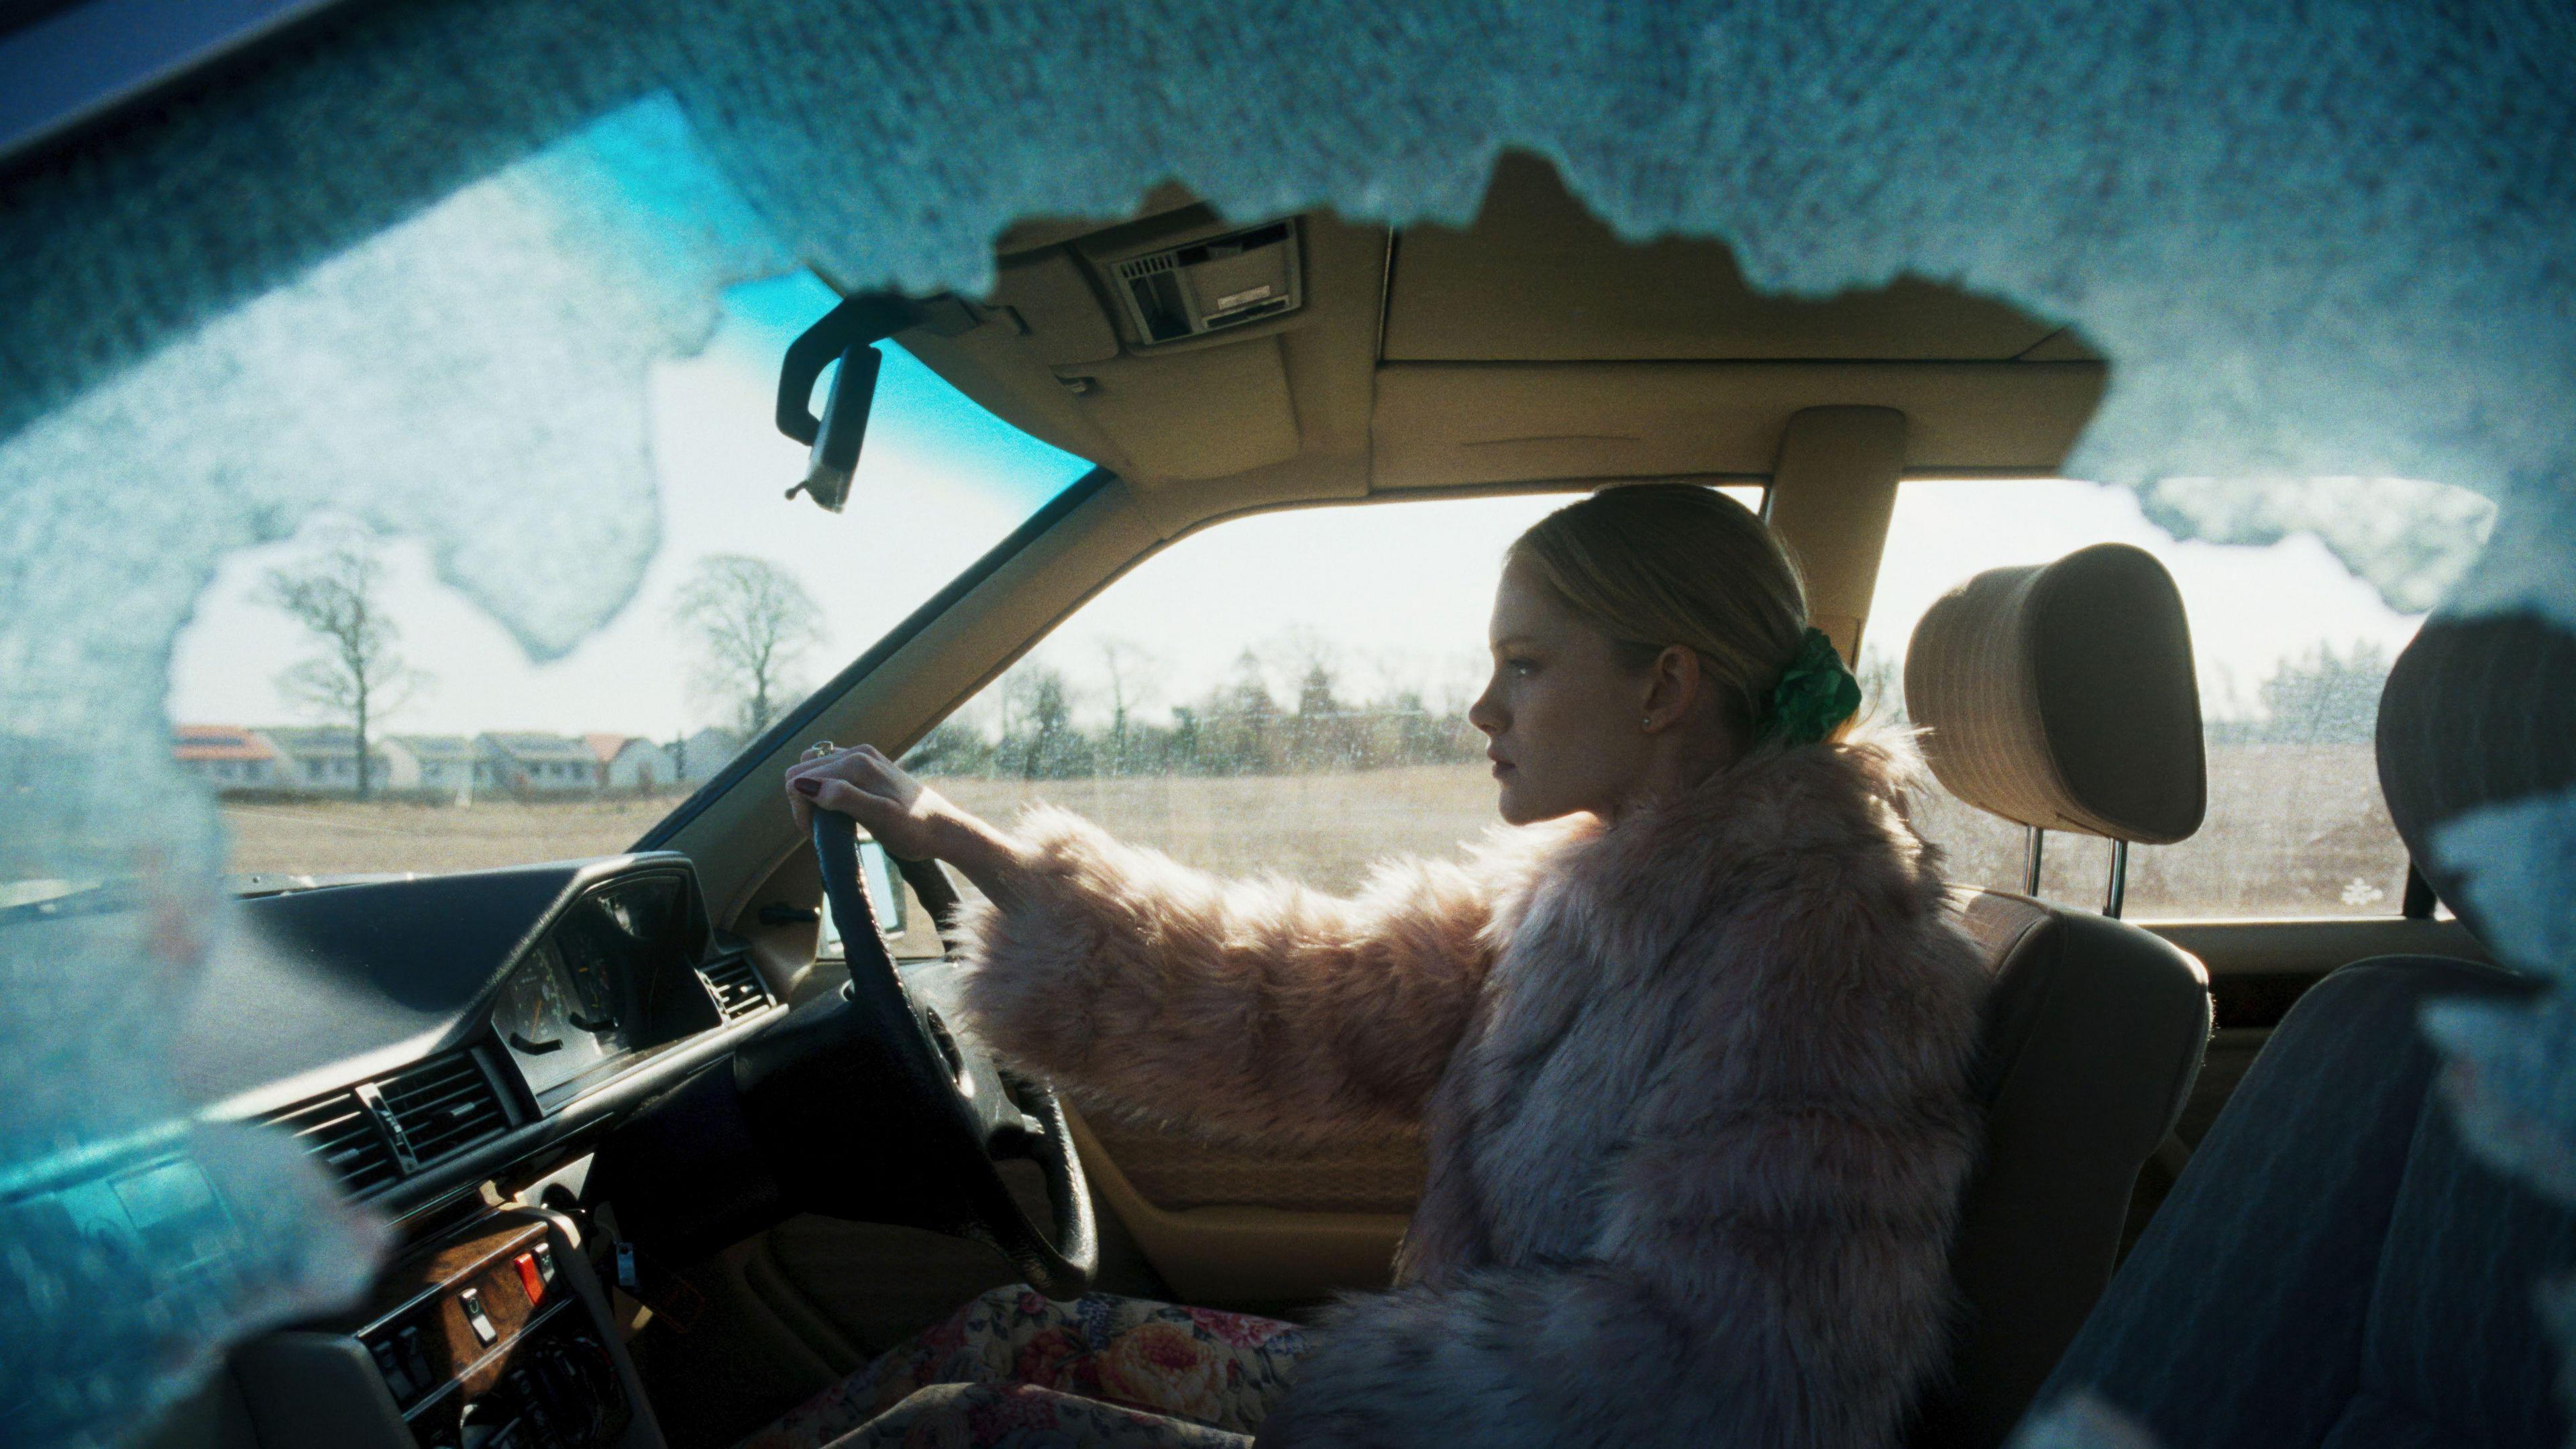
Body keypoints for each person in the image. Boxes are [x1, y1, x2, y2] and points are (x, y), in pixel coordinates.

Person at [760, 483, 1988, 1449]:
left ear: (1664, 685)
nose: (1483, 710)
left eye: (1524, 663)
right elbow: (1303, 999)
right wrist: (976, 849)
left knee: (953, 1428)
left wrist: (1357, 1401)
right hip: (1452, 1409)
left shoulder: (1820, 956)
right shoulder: (1587, 893)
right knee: (1004, 1334)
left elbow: (1736, 1379)